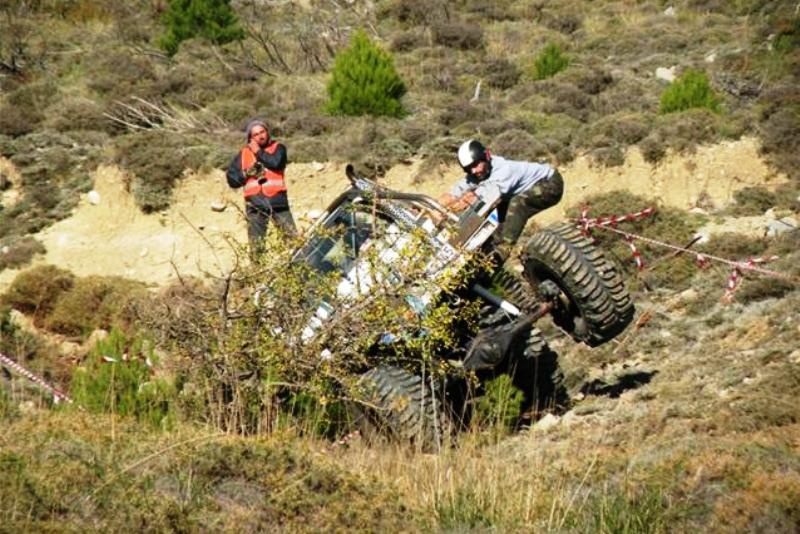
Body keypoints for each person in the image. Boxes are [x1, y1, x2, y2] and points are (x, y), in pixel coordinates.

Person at [440, 139, 564, 259]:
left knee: (517, 204)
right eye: (468, 169)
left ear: (486, 156)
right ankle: (487, 254)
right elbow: (454, 193)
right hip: (521, 190)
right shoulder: (478, 172)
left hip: (550, 184)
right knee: (495, 217)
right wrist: (435, 209)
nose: (473, 170)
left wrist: (452, 211)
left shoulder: (504, 171)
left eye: (476, 165)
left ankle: (504, 250)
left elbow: (479, 200)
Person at [226, 119, 297, 254]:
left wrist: (258, 151)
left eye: (262, 132)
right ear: (250, 138)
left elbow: (276, 163)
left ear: (267, 132)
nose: (260, 136)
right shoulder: (243, 154)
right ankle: (259, 273)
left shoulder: (278, 148)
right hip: (255, 206)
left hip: (278, 203)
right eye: (256, 134)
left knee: (294, 243)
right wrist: (247, 173)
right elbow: (232, 180)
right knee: (256, 249)